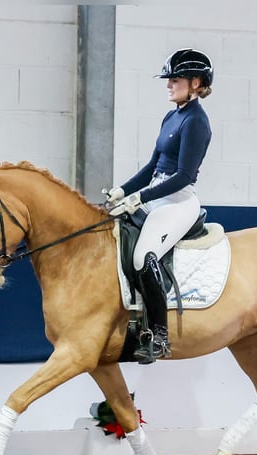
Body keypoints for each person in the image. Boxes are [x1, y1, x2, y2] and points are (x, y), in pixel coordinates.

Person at [106, 48, 214, 364]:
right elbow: (153, 164)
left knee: (143, 255)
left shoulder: (196, 121)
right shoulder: (172, 115)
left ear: (195, 83)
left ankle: (160, 336)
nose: (168, 84)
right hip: (156, 196)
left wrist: (140, 198)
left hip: (178, 202)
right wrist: (122, 190)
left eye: (175, 79)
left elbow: (183, 176)